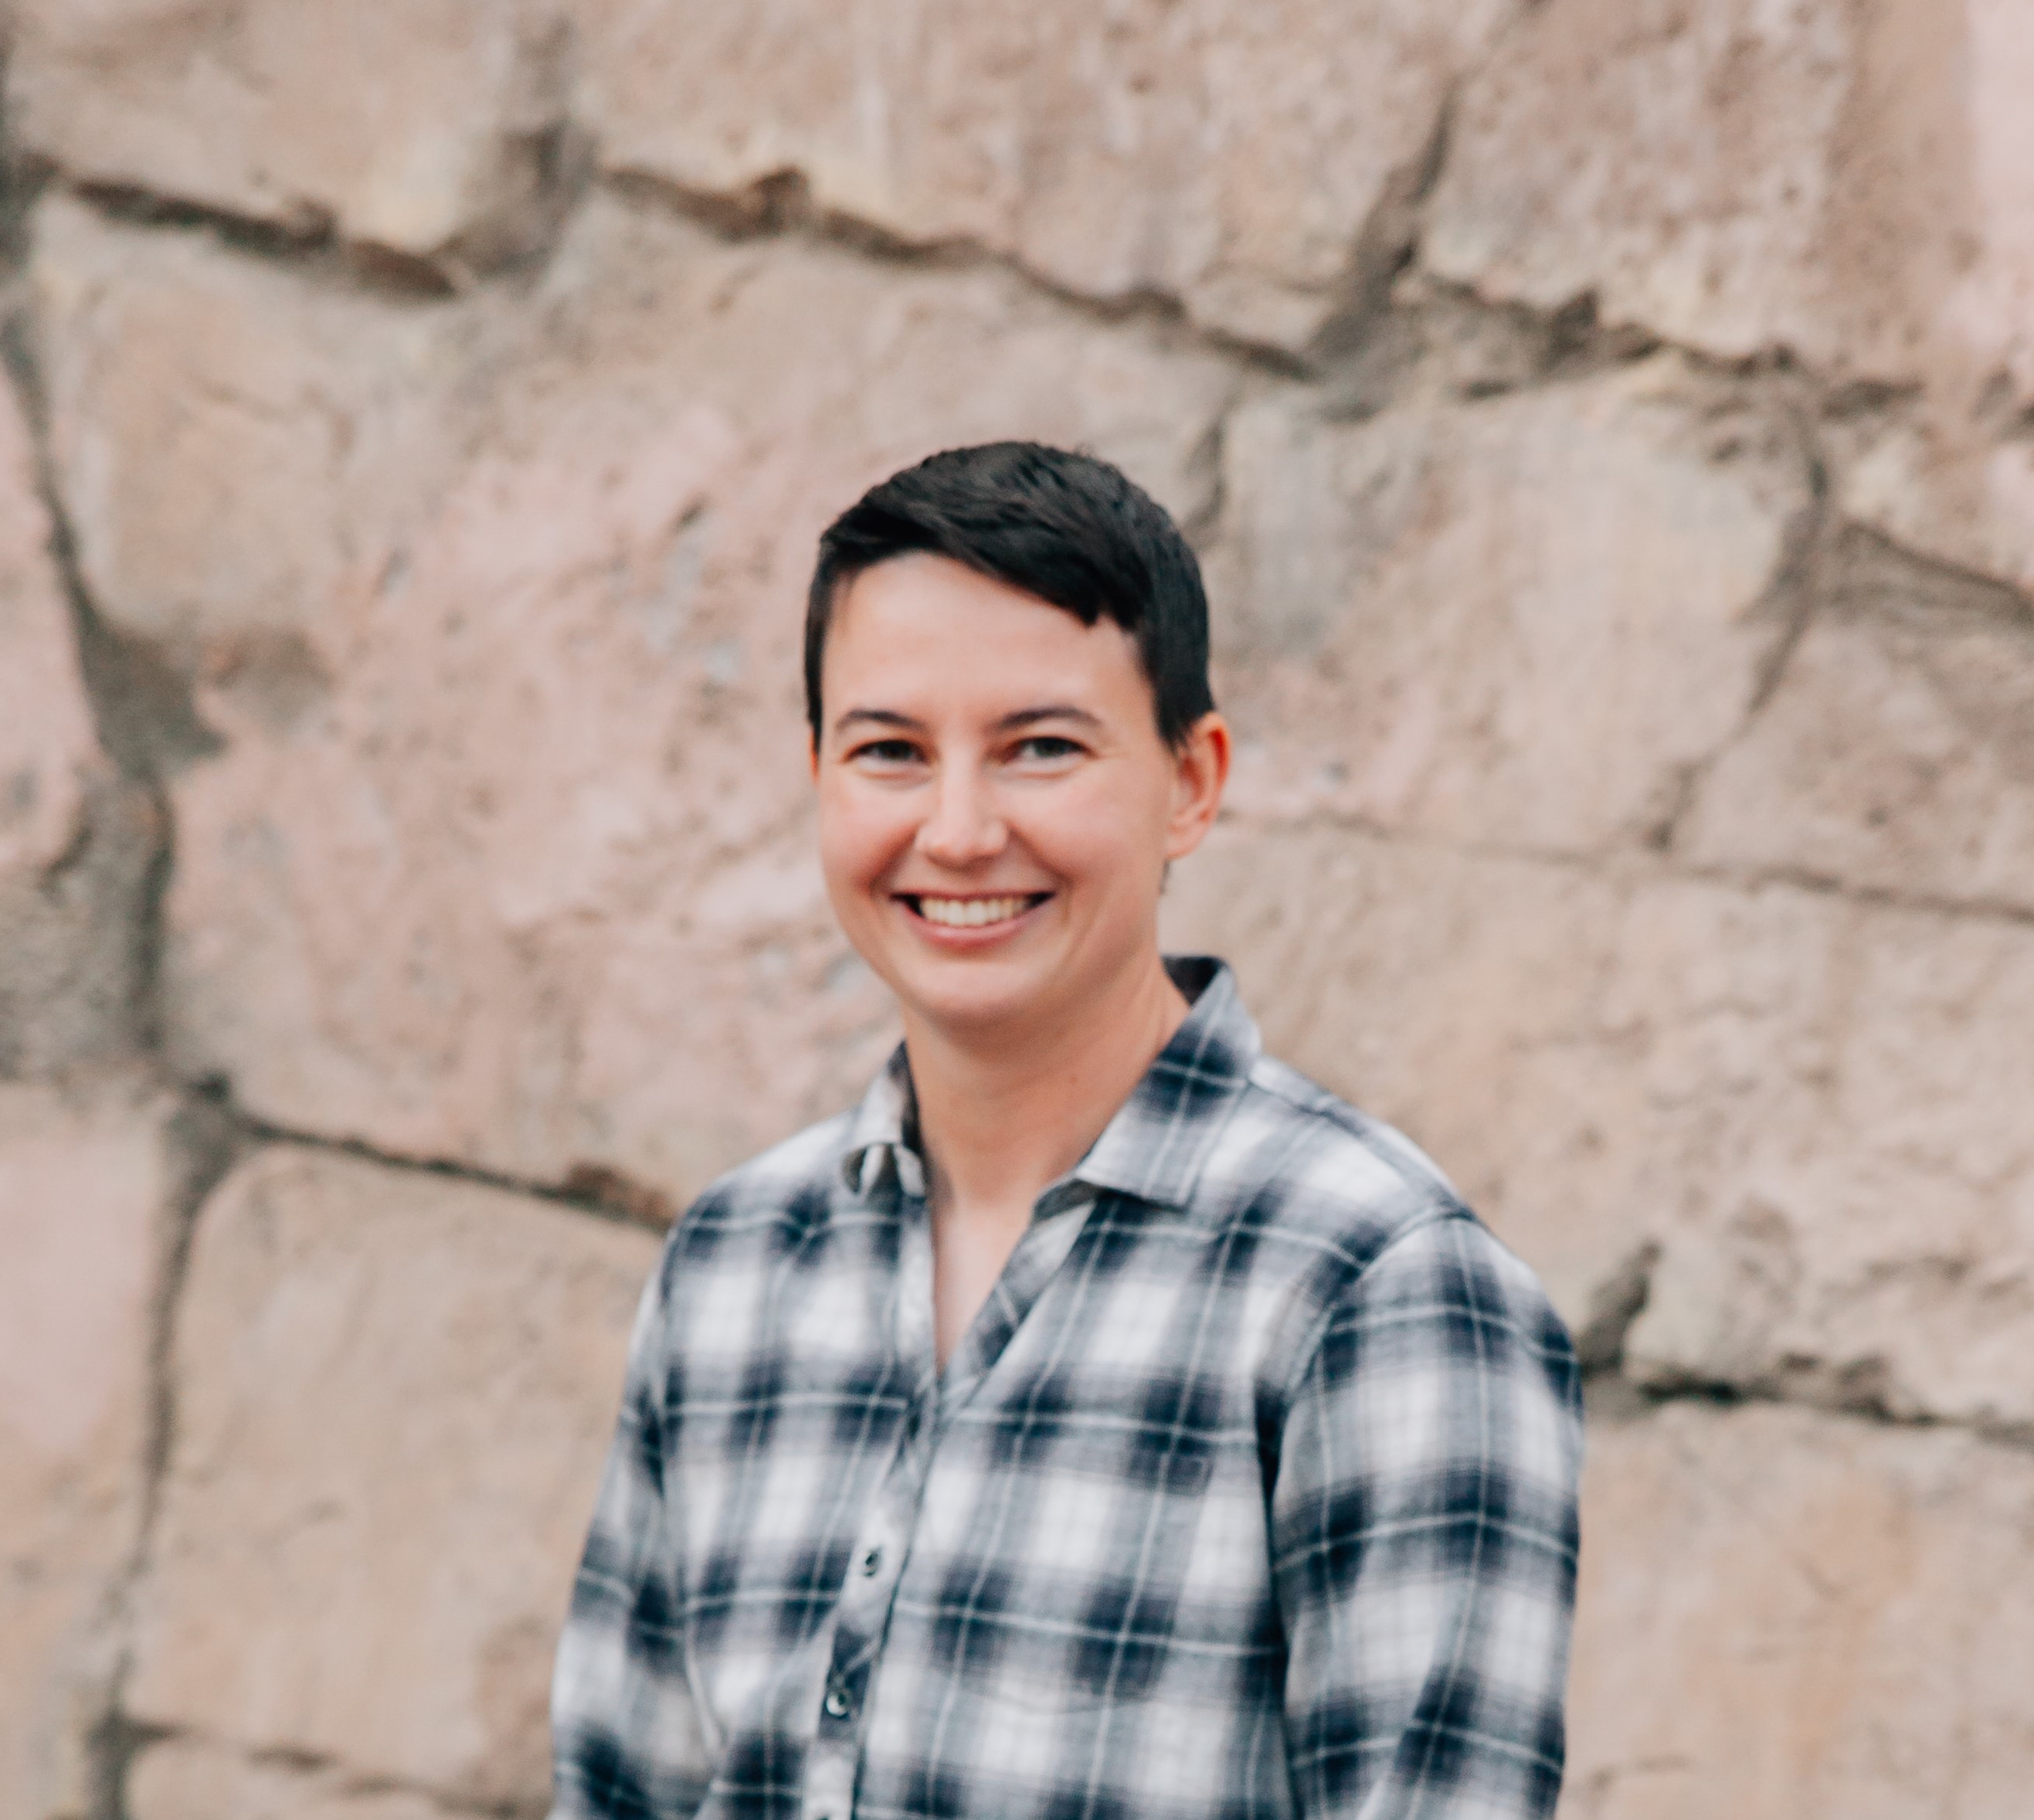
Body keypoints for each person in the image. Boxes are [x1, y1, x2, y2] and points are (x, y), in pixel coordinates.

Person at [550, 441, 1583, 1820]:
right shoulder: (734, 1264)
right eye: (891, 753)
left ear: (1190, 782)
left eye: (1042, 748)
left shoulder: (1378, 1289)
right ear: (817, 777)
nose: (961, 830)